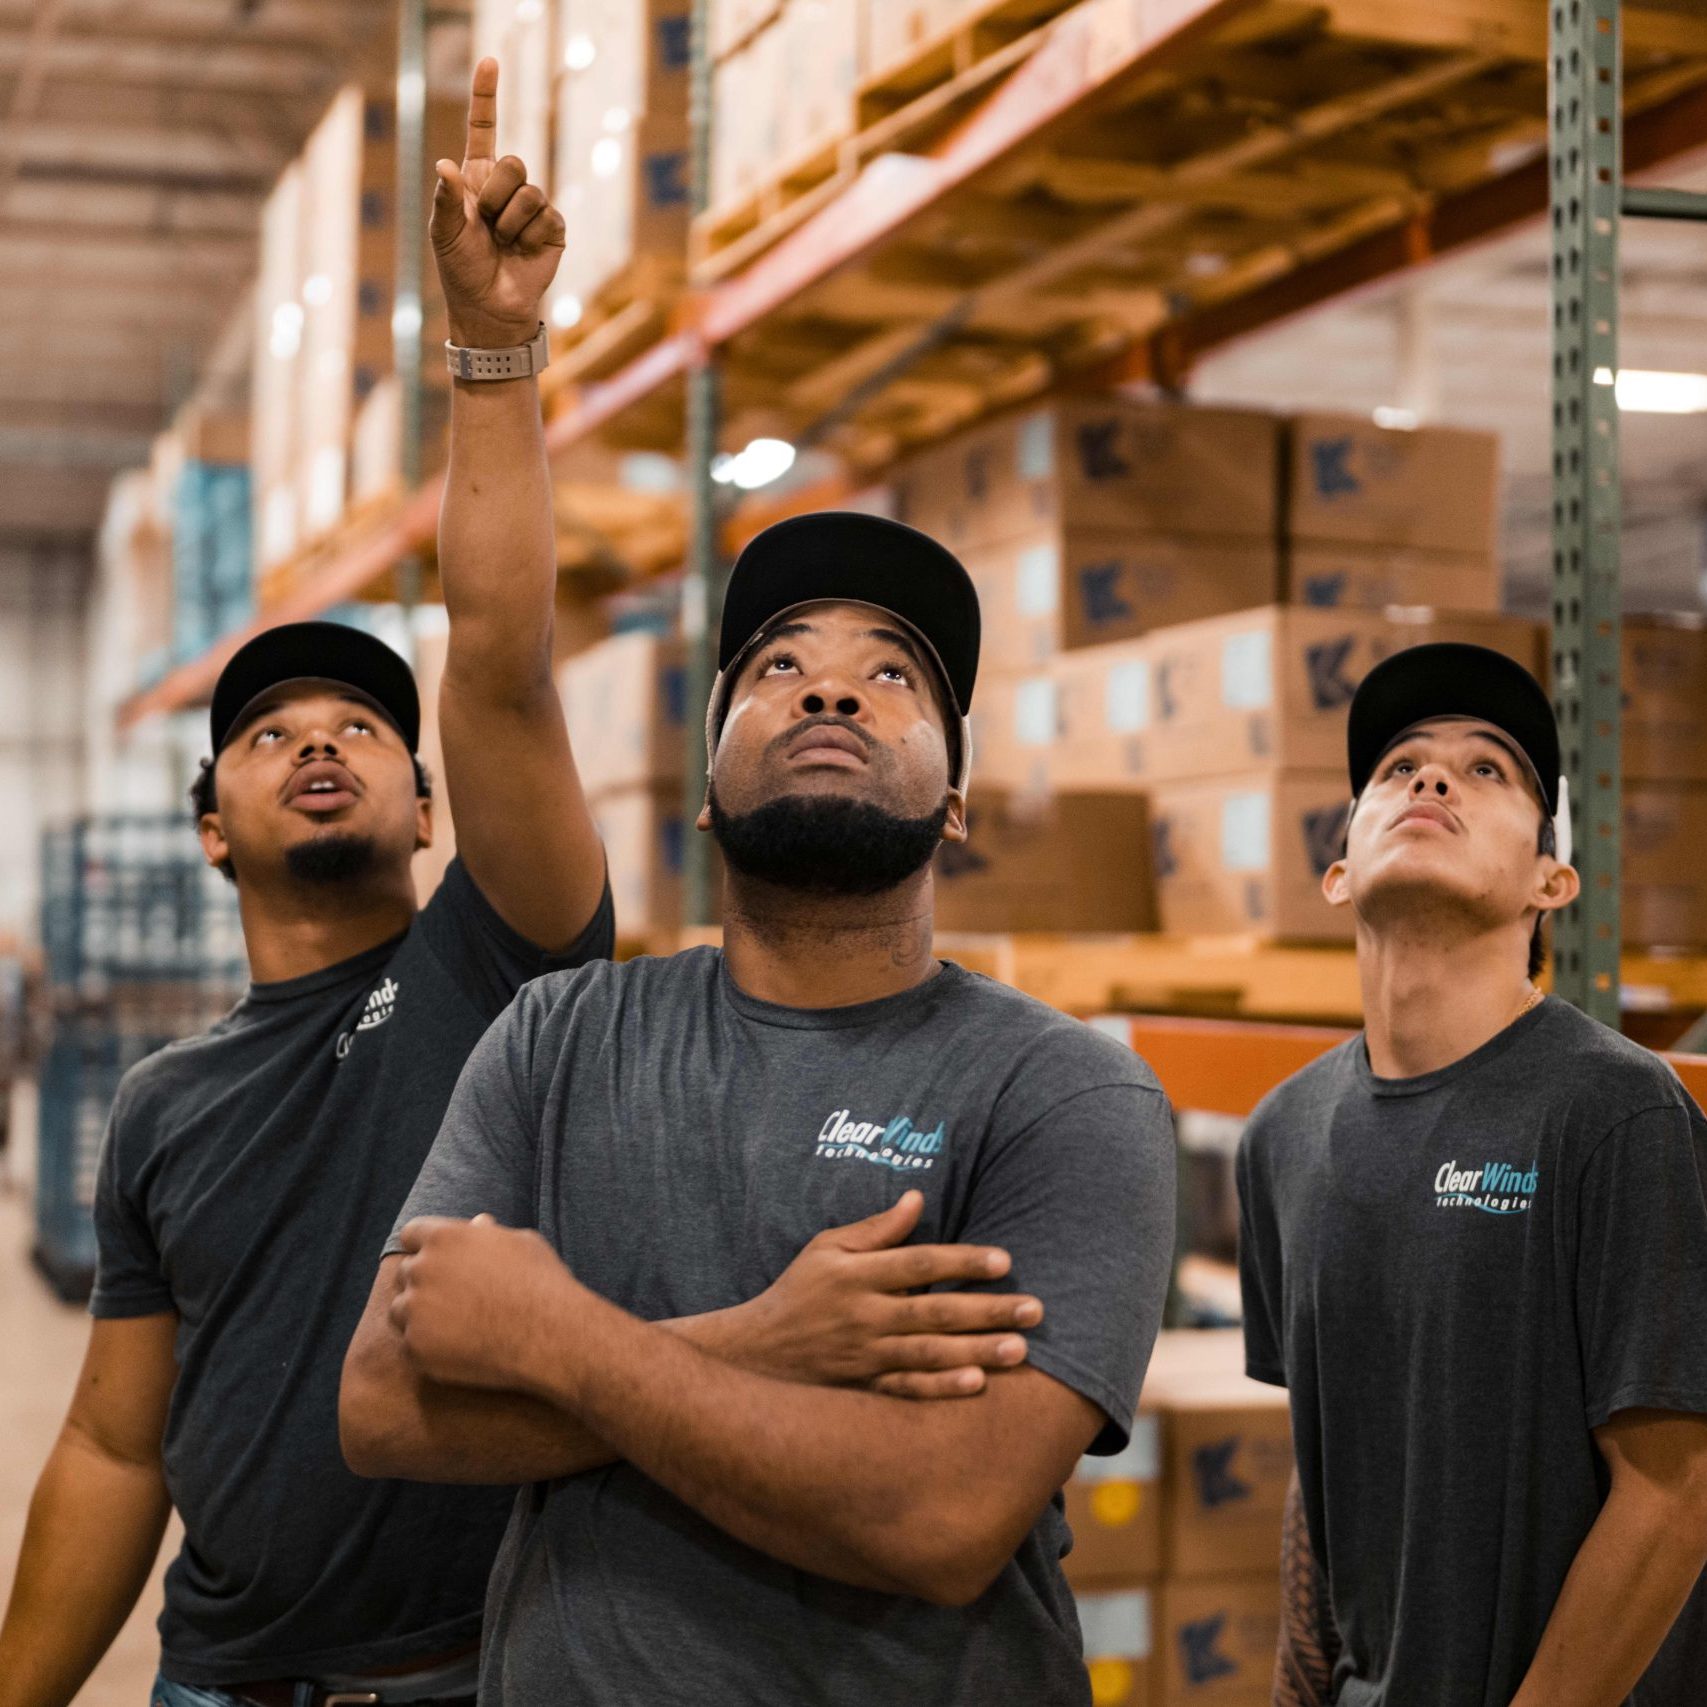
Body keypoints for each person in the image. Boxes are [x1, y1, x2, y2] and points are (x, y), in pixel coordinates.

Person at [0, 64, 1083, 1707]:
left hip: (464, 1672)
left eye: (361, 726)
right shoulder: (165, 1102)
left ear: (431, 807)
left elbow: (499, 659)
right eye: (267, 733)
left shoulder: (500, 975)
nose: (315, 744)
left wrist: (491, 353)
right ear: (208, 825)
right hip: (217, 1677)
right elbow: (105, 1439)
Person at [339, 508, 1178, 1703]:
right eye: (781, 665)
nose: (830, 695)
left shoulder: (1062, 1090)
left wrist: (554, 1338)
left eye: (891, 675)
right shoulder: (560, 1035)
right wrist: (763, 1343)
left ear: (955, 800)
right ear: (704, 791)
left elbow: (943, 1515)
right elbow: (381, 1406)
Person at [1237, 643, 1707, 1707]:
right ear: (1339, 867)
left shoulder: (1615, 1112)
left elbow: (1674, 1495)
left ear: (1554, 880)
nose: (1433, 778)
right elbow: (1326, 1470)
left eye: (1489, 770)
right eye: (1399, 766)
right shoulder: (1284, 1135)